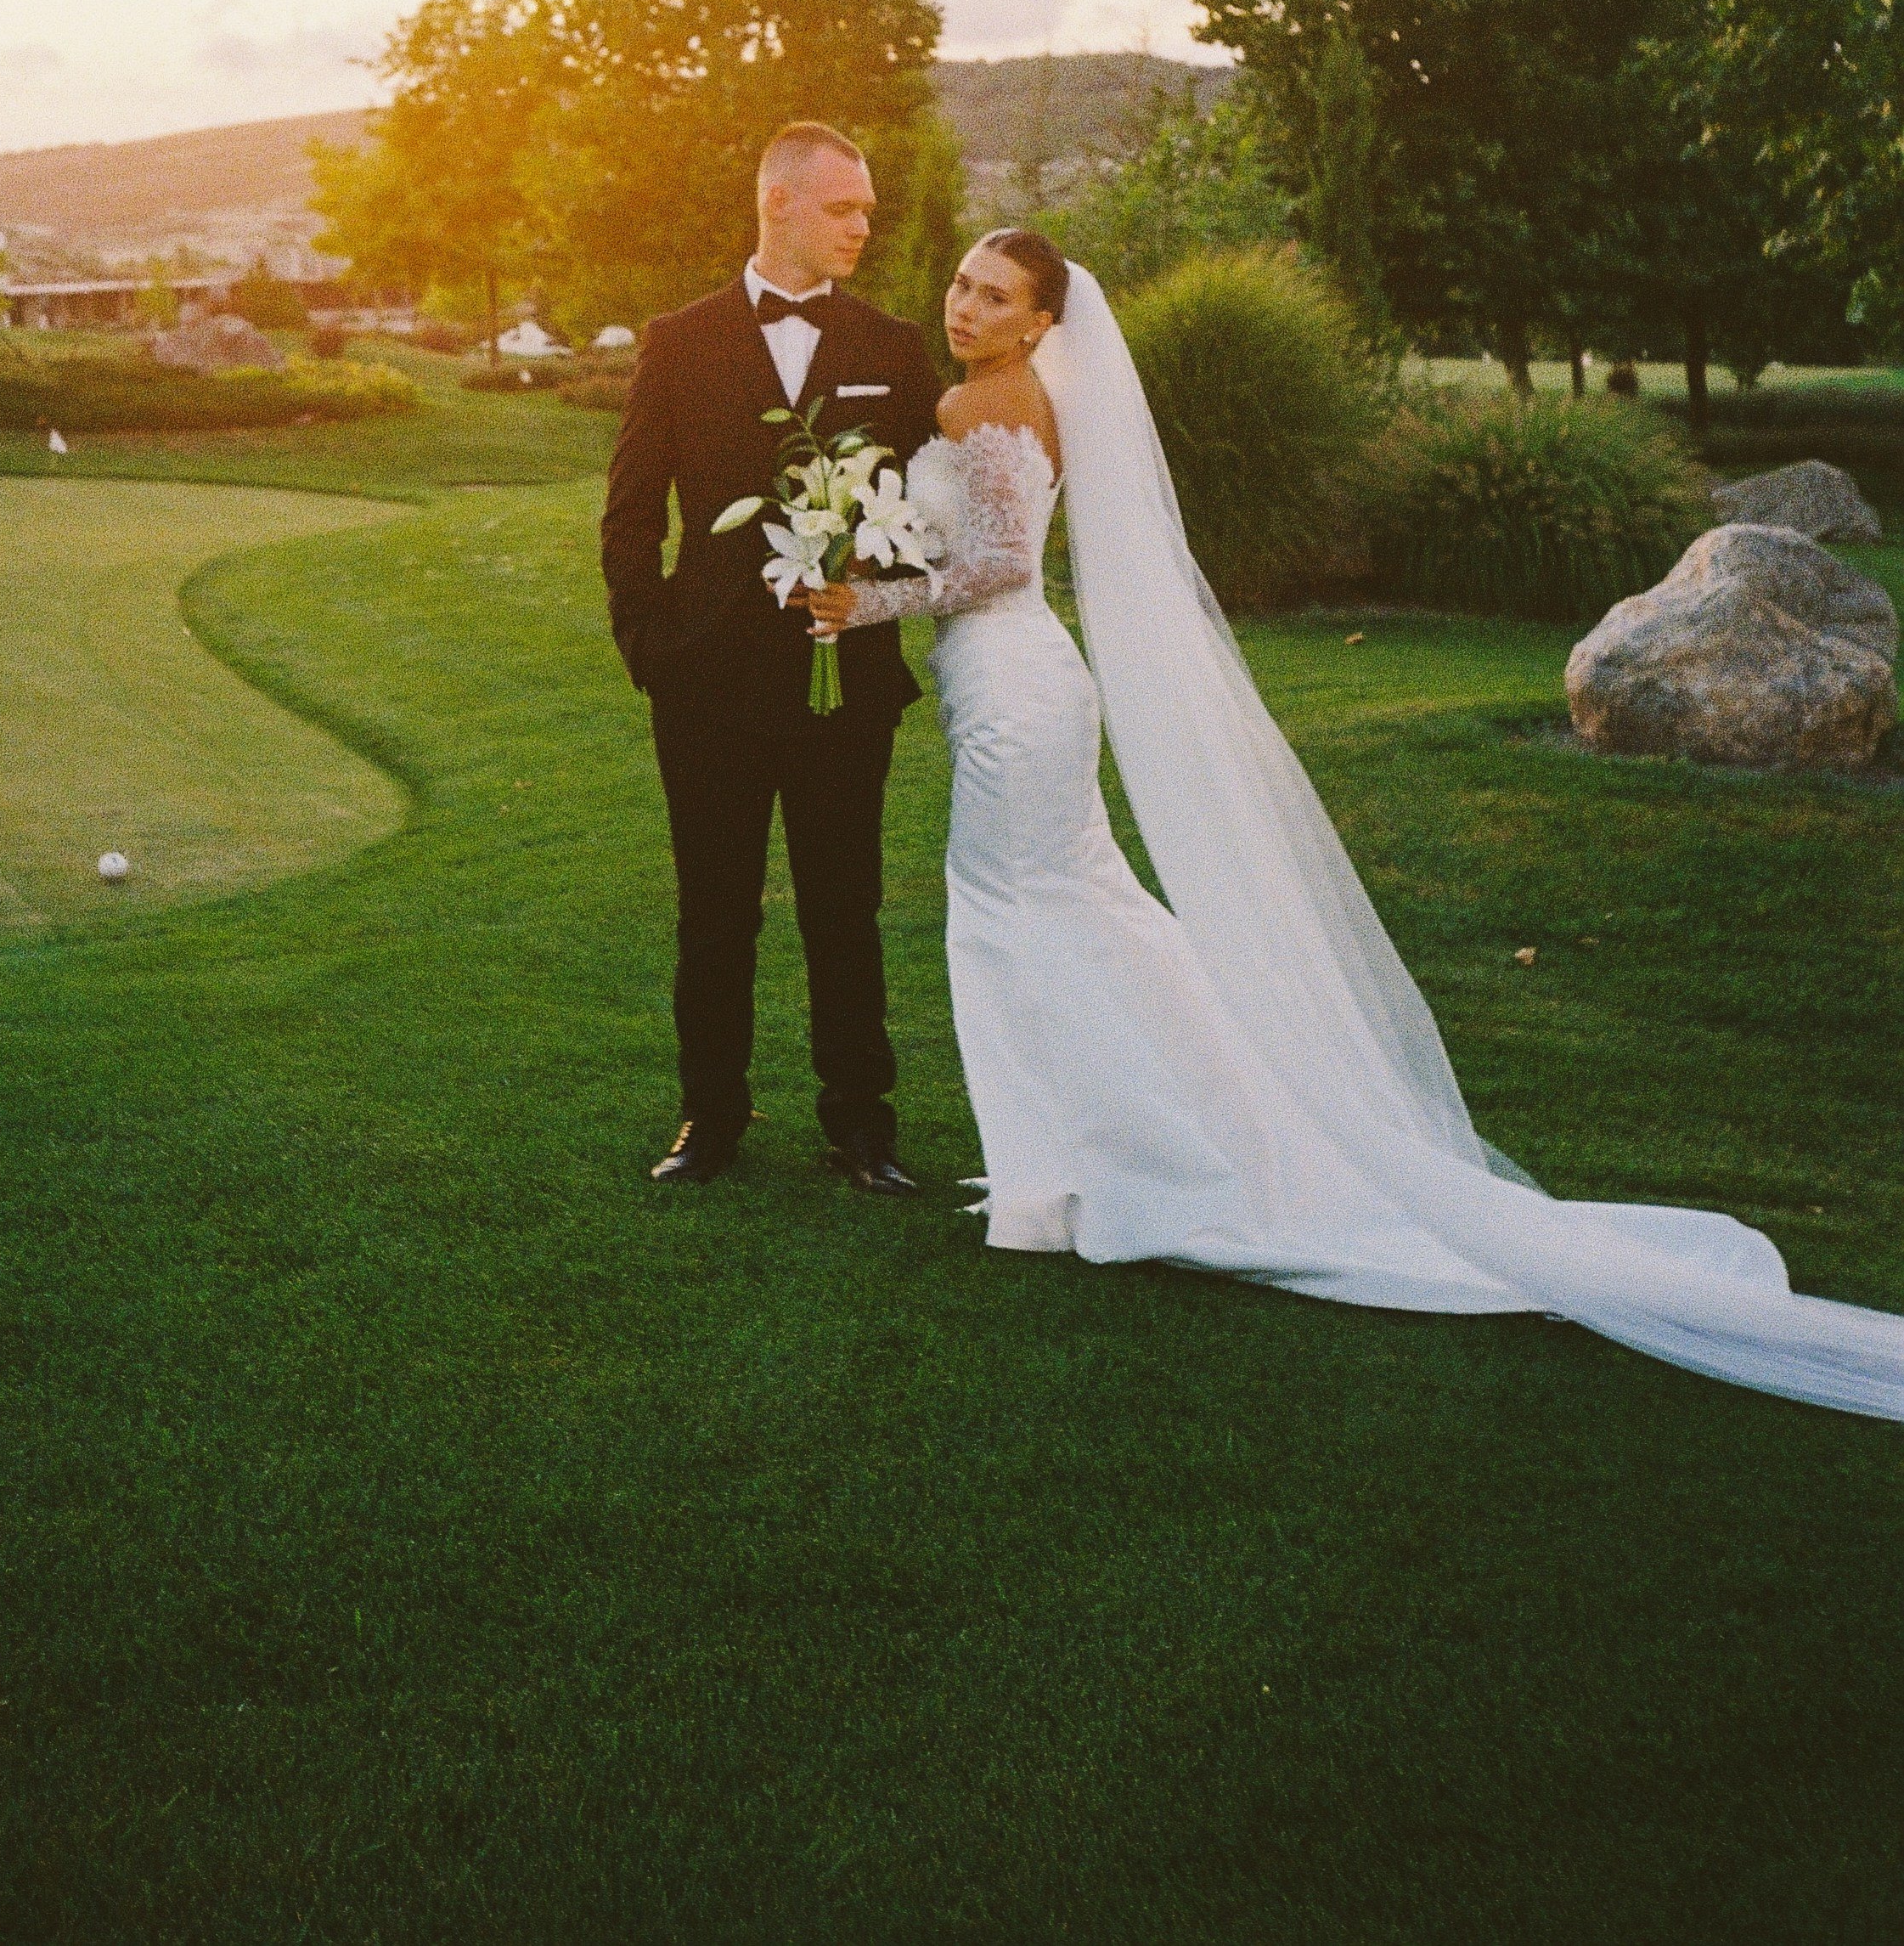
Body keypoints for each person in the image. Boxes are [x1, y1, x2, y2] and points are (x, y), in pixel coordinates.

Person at [806, 229, 1904, 1422]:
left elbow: (1003, 564)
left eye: (995, 294)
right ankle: (1120, 1151)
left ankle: (1122, 1168)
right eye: (964, 282)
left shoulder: (990, 402)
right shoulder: (982, 394)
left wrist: (862, 595)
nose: (965, 303)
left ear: (1038, 322)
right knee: (1072, 908)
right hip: (1009, 686)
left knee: (1026, 915)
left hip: (1015, 685)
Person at [601, 123, 943, 1193]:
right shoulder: (679, 339)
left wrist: (875, 593)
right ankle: (711, 1120)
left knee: (846, 904)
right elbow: (628, 510)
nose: (863, 227)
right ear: (779, 204)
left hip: (848, 683)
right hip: (704, 685)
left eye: (869, 211)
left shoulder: (892, 349)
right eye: (845, 208)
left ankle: (862, 1126)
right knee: (715, 909)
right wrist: (650, 645)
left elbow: (931, 515)